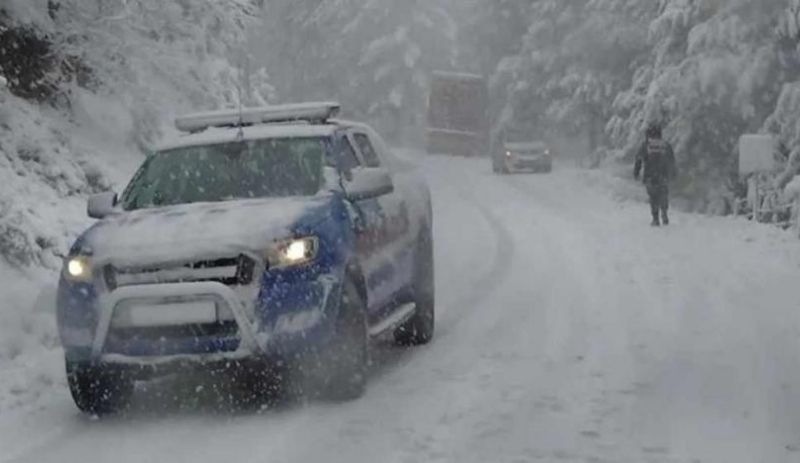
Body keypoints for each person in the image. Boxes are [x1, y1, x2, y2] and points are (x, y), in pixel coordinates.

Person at [634, 124, 677, 226]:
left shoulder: (646, 145)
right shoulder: (666, 145)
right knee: (663, 194)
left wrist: (636, 172)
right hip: (663, 176)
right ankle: (664, 213)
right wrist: (673, 173)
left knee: (653, 197)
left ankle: (655, 218)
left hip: (650, 176)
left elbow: (638, 159)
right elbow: (672, 161)